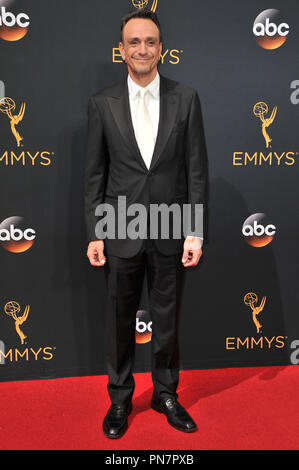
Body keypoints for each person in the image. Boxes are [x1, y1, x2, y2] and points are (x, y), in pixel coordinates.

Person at [84, 9, 207, 439]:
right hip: (120, 226)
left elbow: (196, 170)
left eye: (150, 42)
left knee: (168, 319)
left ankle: (166, 394)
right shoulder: (102, 103)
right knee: (119, 320)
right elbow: (95, 175)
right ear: (121, 50)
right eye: (134, 42)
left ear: (161, 49)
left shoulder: (186, 98)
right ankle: (119, 399)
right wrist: (96, 231)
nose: (142, 49)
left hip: (172, 227)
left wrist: (194, 230)